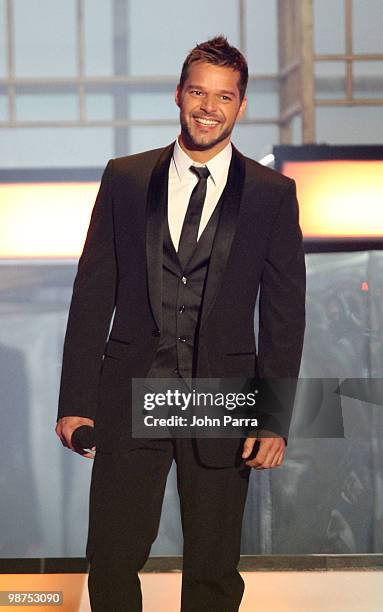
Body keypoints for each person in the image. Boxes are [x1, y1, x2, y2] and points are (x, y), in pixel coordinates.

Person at [55, 36, 306, 612]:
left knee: (214, 568)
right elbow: (91, 297)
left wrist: (274, 418)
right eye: (198, 91)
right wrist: (76, 401)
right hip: (132, 393)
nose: (208, 106)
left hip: (222, 399)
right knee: (113, 557)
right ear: (178, 94)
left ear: (241, 106)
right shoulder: (125, 178)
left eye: (224, 96)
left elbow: (285, 315)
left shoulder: (272, 194)